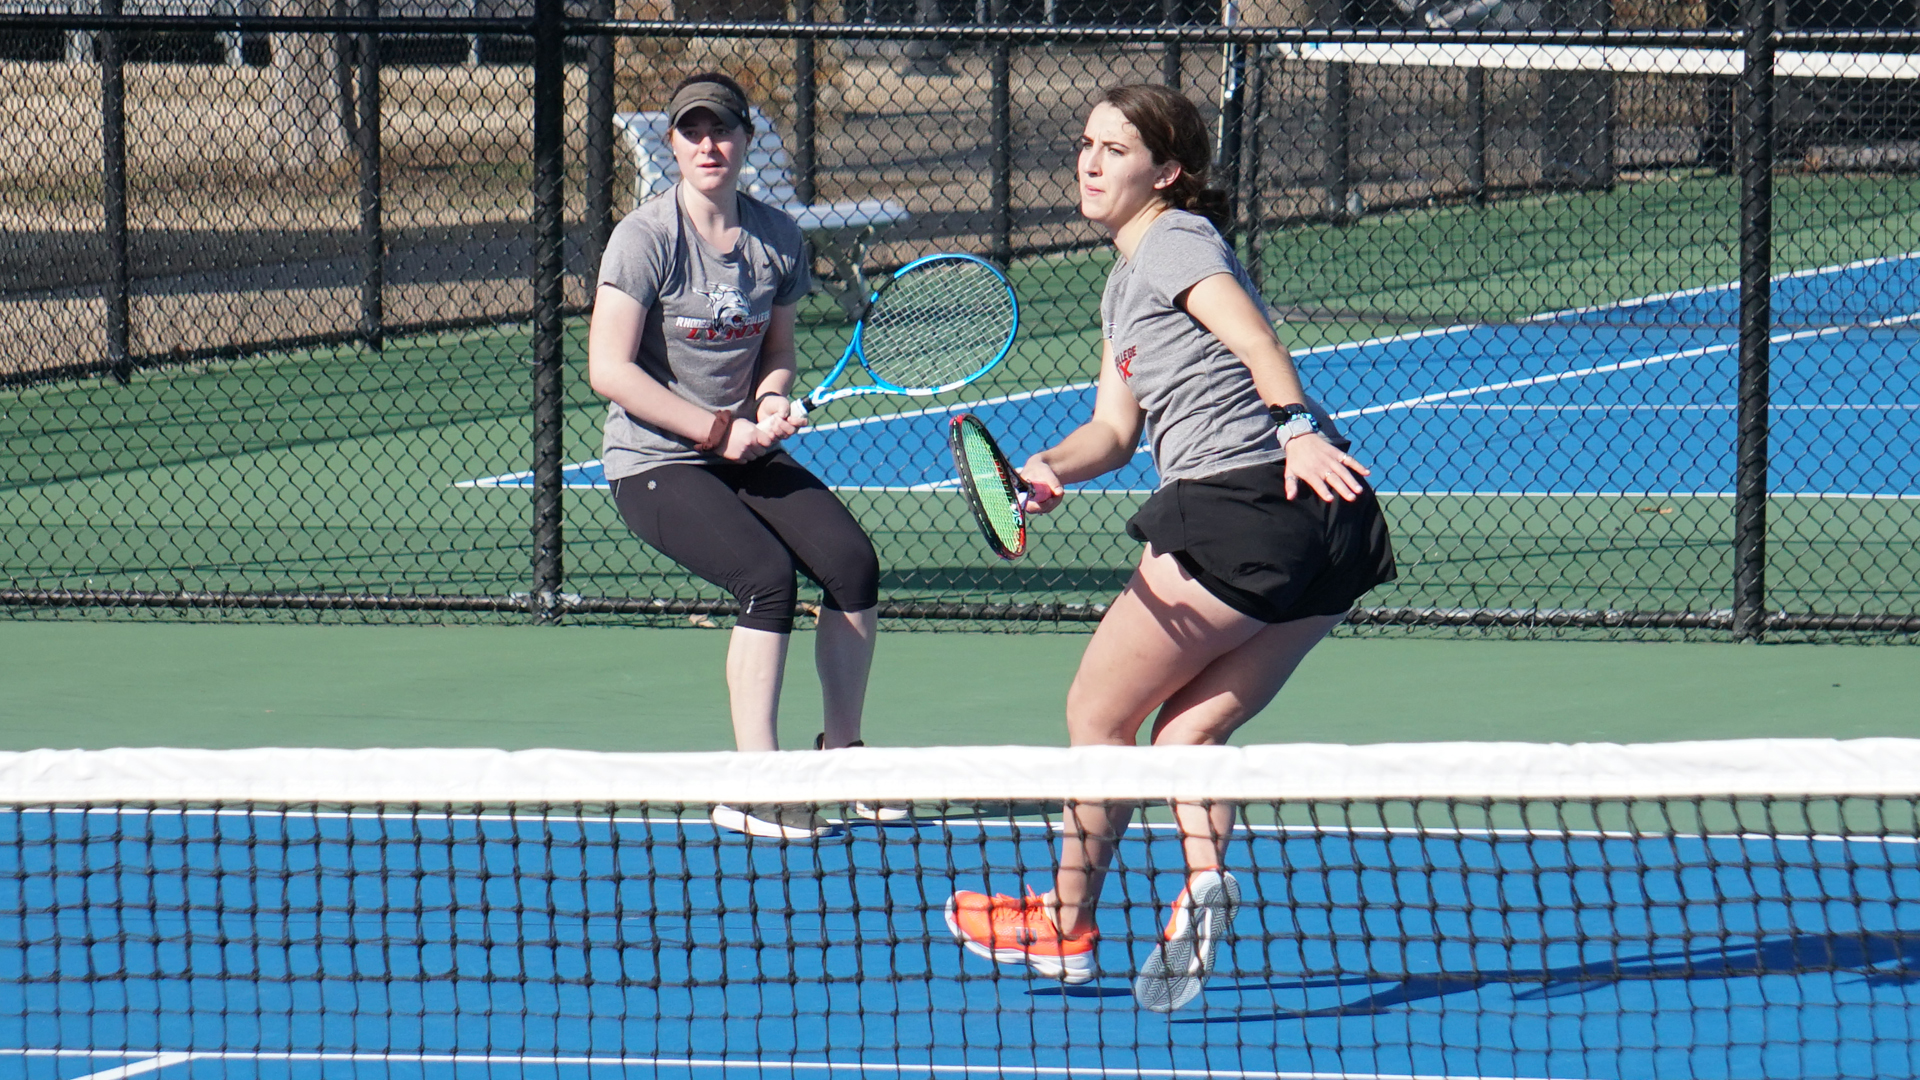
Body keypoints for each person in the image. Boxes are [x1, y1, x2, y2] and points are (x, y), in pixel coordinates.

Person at [944, 84, 1397, 1011]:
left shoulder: (1174, 240)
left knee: (1096, 718)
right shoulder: (1125, 287)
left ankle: (1064, 926)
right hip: (1335, 525)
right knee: (1188, 729)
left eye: (1116, 148)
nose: (1091, 160)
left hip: (1247, 501)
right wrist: (1051, 467)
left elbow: (1252, 333)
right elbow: (1114, 431)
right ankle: (1202, 880)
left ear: (1169, 172)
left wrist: (1295, 425)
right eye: (1086, 142)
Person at [587, 73, 898, 841]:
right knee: (766, 578)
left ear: (747, 141)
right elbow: (609, 370)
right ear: (673, 145)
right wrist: (717, 431)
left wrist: (766, 403)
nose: (708, 145)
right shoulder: (645, 238)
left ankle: (842, 756)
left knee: (852, 563)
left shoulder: (776, 238)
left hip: (739, 447)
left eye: (722, 130)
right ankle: (756, 786)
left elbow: (779, 350)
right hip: (655, 460)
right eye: (692, 132)